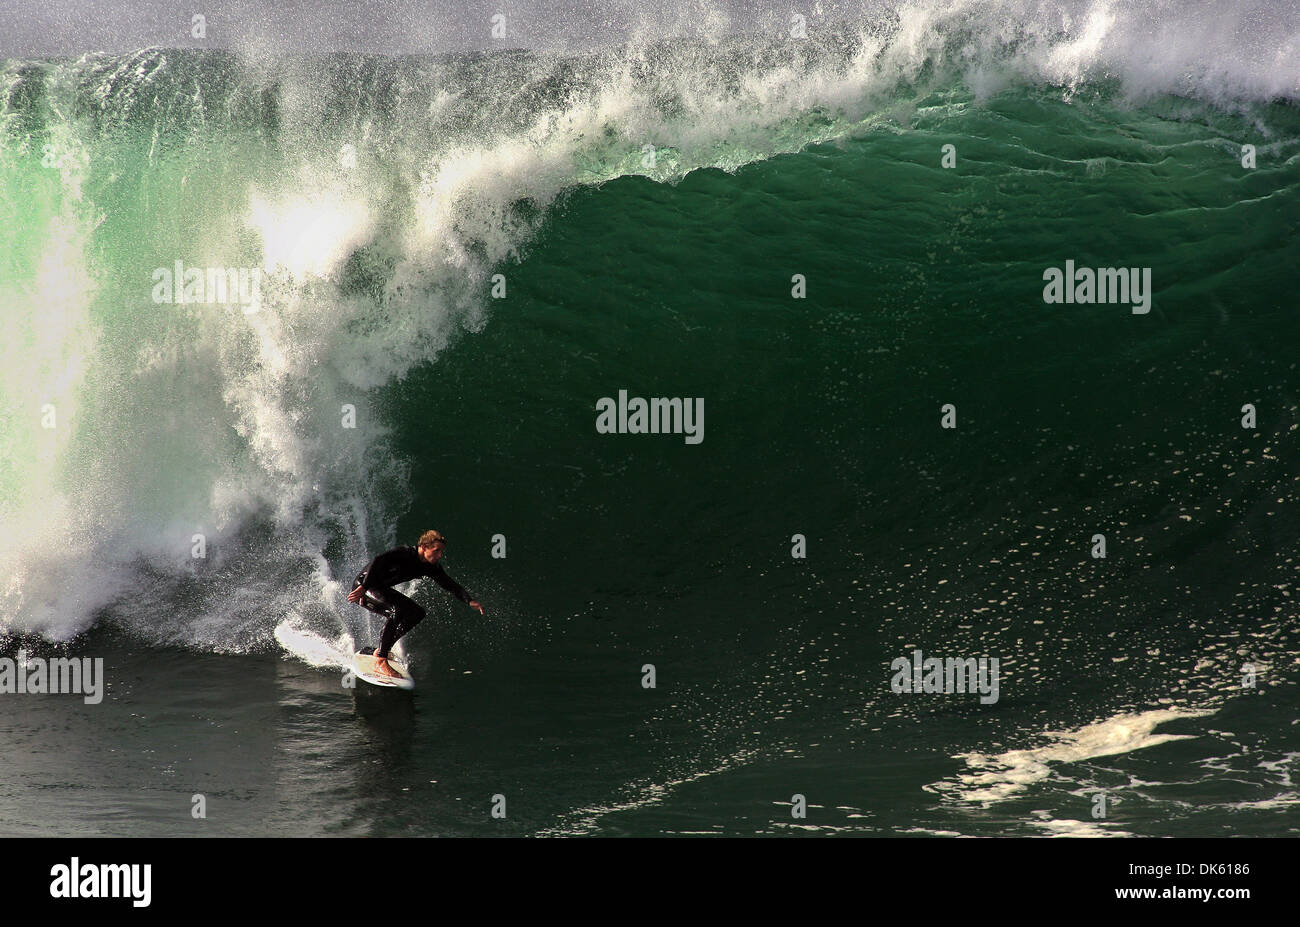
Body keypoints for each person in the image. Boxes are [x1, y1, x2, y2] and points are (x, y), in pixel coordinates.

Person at [347, 530, 484, 678]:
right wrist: (364, 587)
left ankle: (380, 651)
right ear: (424, 547)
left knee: (417, 613)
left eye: (441, 552)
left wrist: (469, 600)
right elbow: (378, 560)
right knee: (397, 611)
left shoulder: (430, 567)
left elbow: (449, 584)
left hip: (381, 589)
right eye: (436, 551)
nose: (439, 555)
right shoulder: (405, 553)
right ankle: (381, 660)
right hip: (364, 586)